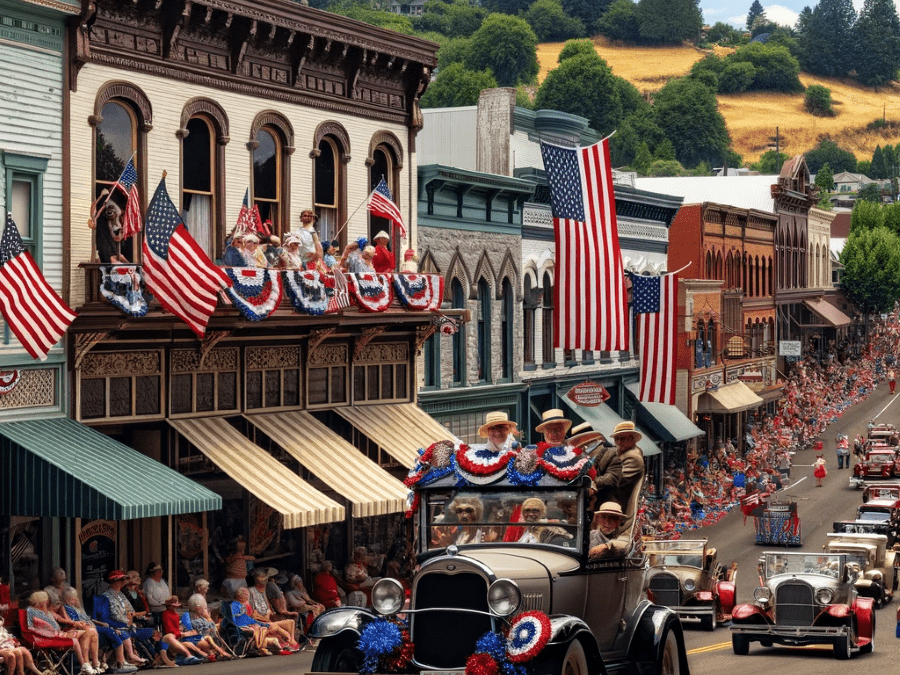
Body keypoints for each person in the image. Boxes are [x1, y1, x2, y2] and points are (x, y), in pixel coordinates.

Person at [102, 570, 172, 668]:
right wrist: (128, 618)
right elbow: (114, 615)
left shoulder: (121, 595)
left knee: (155, 633)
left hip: (129, 626)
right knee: (136, 637)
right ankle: (151, 660)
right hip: (119, 627)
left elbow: (131, 610)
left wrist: (130, 616)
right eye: (121, 579)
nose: (123, 581)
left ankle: (161, 656)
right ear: (114, 581)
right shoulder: (106, 596)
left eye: (124, 579)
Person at [62, 587, 138, 674]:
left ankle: (116, 662)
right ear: (66, 599)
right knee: (110, 632)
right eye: (71, 599)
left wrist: (99, 623)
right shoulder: (67, 608)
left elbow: (90, 619)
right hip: (84, 628)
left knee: (115, 632)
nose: (74, 600)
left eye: (75, 597)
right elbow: (75, 622)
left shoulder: (78, 607)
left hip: (91, 625)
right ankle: (119, 663)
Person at [26, 591, 97, 675]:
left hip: (59, 633)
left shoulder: (48, 611)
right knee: (80, 637)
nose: (48, 602)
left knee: (90, 631)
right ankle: (84, 666)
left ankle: (90, 665)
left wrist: (75, 623)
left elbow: (63, 620)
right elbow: (30, 627)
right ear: (41, 600)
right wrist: (45, 633)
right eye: (46, 600)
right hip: (49, 637)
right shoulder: (31, 610)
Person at [247, 570, 299, 651]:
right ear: (255, 579)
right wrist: (265, 619)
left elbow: (267, 608)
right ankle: (292, 642)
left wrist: (269, 613)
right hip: (258, 622)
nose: (263, 579)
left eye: (264, 577)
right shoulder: (250, 591)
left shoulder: (263, 591)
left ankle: (291, 643)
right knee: (275, 626)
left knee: (291, 622)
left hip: (266, 619)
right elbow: (253, 614)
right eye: (260, 577)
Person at [229, 588, 284, 656]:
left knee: (262, 628)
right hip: (239, 625)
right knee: (259, 629)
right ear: (240, 596)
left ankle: (261, 646)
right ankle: (260, 647)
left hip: (248, 624)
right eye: (245, 594)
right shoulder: (235, 605)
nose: (247, 596)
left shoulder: (245, 604)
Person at [607, 422, 645, 518]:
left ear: (631, 439)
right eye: (616, 439)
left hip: (617, 506)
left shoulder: (633, 456)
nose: (619, 442)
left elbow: (616, 482)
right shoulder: (623, 451)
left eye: (622, 438)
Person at [180, 595, 231, 661]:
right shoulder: (193, 618)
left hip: (198, 638)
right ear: (197, 608)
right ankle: (221, 653)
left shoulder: (199, 617)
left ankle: (220, 653)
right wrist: (208, 618)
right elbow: (208, 630)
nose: (205, 611)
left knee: (212, 637)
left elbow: (212, 630)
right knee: (209, 639)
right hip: (193, 640)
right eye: (204, 608)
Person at [159, 597, 205, 664]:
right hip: (170, 635)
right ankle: (192, 656)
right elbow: (169, 628)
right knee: (187, 642)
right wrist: (181, 634)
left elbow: (177, 628)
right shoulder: (166, 614)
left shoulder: (176, 614)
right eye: (173, 606)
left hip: (177, 635)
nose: (175, 607)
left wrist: (182, 633)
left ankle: (202, 655)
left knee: (191, 643)